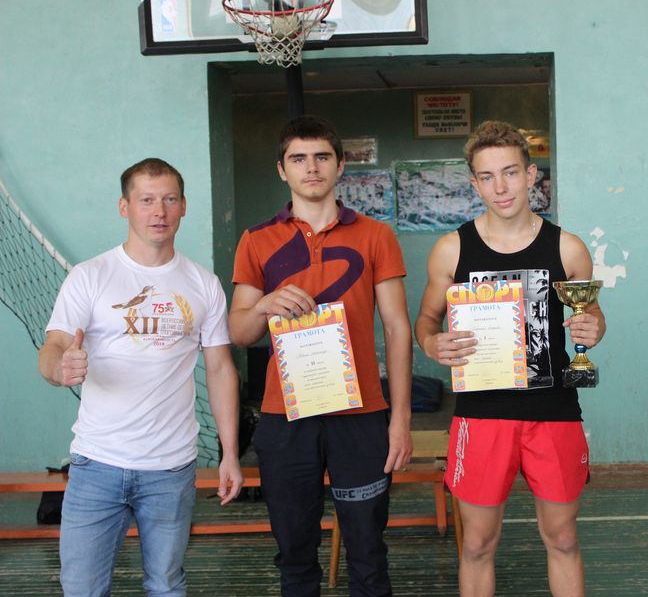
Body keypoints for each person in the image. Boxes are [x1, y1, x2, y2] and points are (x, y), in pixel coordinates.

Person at [415, 120, 605, 597]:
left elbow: (591, 314)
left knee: (563, 538)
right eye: (487, 176)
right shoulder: (451, 250)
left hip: (553, 411)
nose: (500, 187)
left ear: (530, 174)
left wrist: (594, 327)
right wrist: (432, 344)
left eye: (510, 172)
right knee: (478, 544)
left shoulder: (568, 248)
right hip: (481, 415)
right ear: (474, 183)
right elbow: (426, 321)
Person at [39, 157, 243, 596]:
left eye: (169, 199)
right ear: (124, 206)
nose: (159, 211)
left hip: (171, 468)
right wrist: (60, 368)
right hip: (97, 464)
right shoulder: (90, 276)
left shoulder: (203, 283)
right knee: (81, 588)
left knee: (166, 585)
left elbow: (220, 368)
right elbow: (54, 345)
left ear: (183, 206)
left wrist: (230, 453)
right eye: (147, 200)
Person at [229, 116, 413, 597]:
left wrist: (400, 419)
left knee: (368, 551)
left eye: (321, 157)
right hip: (285, 416)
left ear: (340, 164)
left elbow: (397, 327)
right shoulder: (256, 239)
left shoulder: (376, 235)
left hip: (361, 414)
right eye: (298, 159)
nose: (311, 168)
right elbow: (240, 332)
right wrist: (265, 305)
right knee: (294, 553)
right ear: (281, 169)